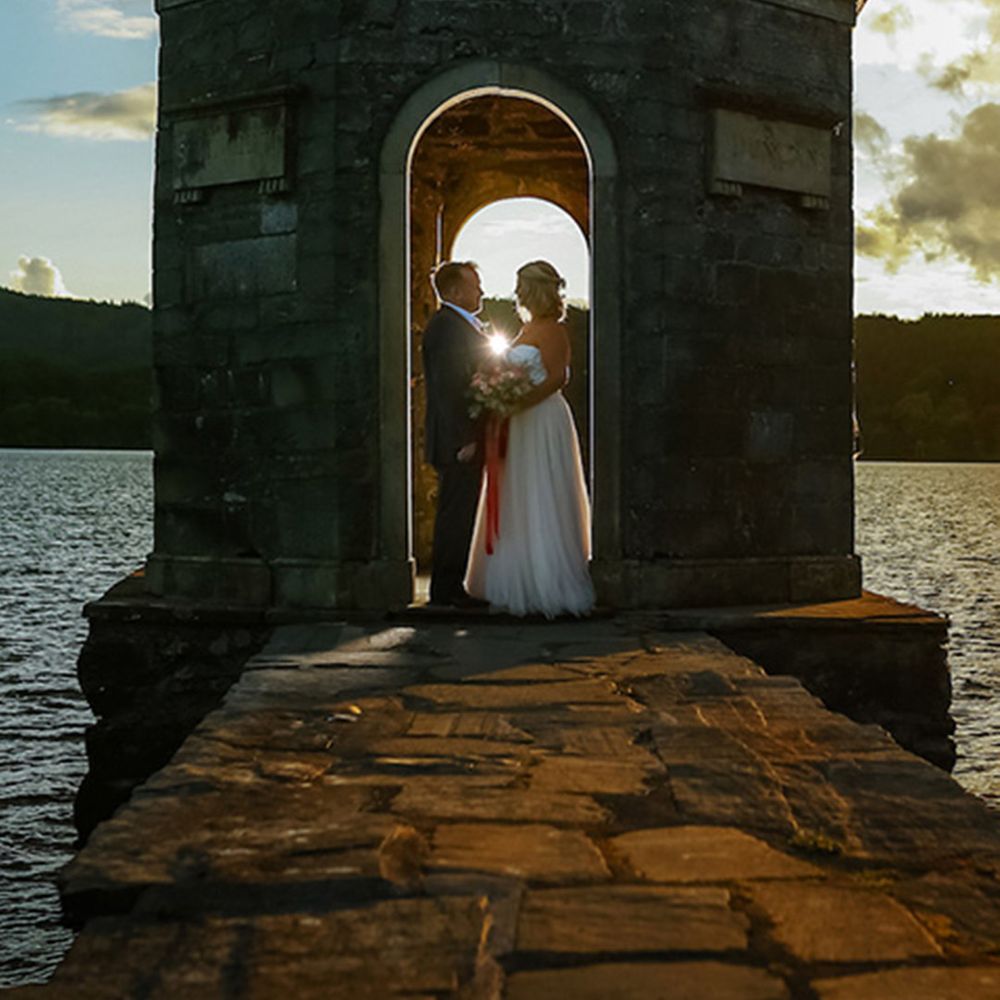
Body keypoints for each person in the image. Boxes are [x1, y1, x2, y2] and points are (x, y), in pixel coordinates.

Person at [464, 260, 595, 617]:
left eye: (522, 286)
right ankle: (512, 572)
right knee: (516, 494)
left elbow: (557, 378)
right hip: (518, 422)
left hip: (541, 418)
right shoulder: (527, 328)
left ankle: (545, 581)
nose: (517, 293)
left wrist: (519, 401)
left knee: (541, 492)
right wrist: (498, 395)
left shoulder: (552, 329)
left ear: (535, 290)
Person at [422, 261, 492, 607]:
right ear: (452, 292)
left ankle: (451, 588)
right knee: (455, 514)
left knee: (461, 512)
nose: (480, 290)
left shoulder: (457, 326)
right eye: (474, 284)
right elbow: (448, 388)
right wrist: (465, 437)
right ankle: (446, 591)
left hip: (461, 438)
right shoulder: (447, 328)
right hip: (457, 441)